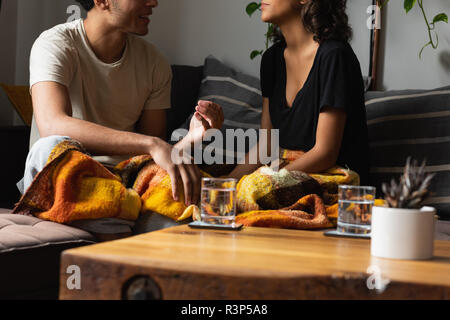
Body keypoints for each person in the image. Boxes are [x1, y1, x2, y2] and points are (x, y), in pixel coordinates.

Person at [17, 0, 224, 237]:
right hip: (66, 177)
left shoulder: (154, 62)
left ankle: (118, 218)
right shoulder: (55, 44)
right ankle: (121, 224)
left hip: (125, 185)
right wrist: (152, 144)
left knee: (182, 206)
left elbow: (152, 159)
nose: (153, 2)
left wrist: (191, 139)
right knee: (49, 146)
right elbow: (52, 124)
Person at [228, 0, 370, 184]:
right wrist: (225, 185)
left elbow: (325, 153)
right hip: (289, 179)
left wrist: (268, 182)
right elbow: (267, 145)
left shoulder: (335, 56)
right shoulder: (271, 60)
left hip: (336, 183)